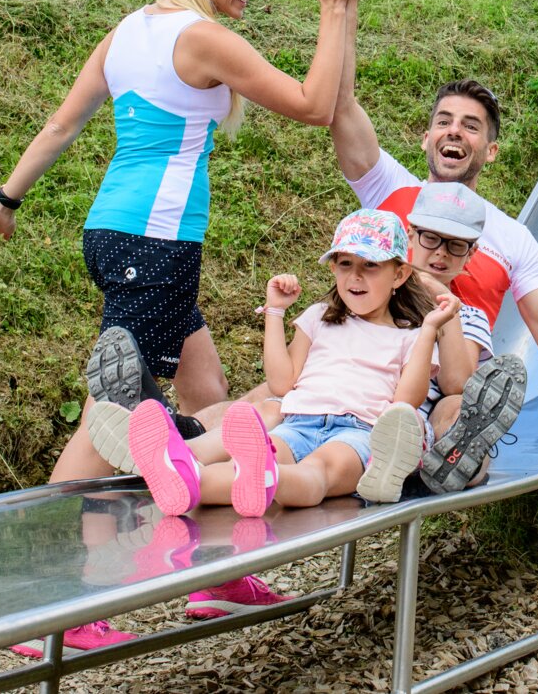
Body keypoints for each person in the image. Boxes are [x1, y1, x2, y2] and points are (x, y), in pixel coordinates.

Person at [0, 0, 361, 654]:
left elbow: (60, 126)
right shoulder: (203, 38)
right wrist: (335, 9)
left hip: (119, 234)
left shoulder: (130, 30)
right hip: (155, 242)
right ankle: (52, 596)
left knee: (208, 395)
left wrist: (4, 205)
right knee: (106, 418)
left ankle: (213, 571)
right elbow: (314, 105)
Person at [330, 78, 538, 491]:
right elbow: (340, 106)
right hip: (373, 364)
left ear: (491, 150)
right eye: (444, 121)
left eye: (471, 126)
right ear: (426, 137)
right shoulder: (390, 189)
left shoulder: (512, 238)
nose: (454, 131)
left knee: (458, 405)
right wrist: (341, 11)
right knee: (278, 393)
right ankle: (204, 441)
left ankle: (453, 458)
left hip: (446, 377)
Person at [128, 209, 461, 517]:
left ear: (399, 274)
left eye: (370, 265)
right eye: (346, 264)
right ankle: (184, 478)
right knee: (246, 465)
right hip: (300, 422)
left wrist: (431, 329)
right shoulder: (319, 318)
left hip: (360, 431)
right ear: (333, 268)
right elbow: (282, 384)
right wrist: (275, 311)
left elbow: (407, 400)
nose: (355, 277)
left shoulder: (410, 335)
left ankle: (265, 477)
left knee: (319, 473)